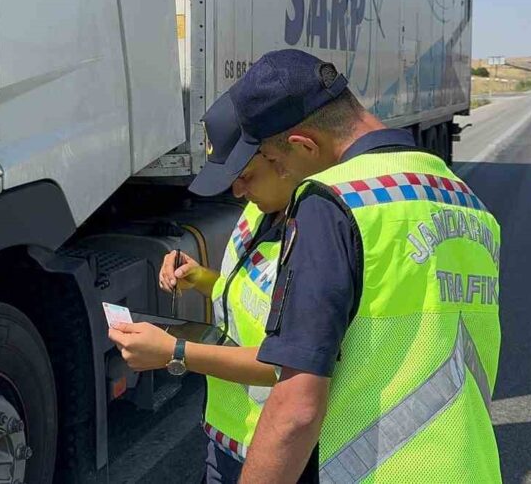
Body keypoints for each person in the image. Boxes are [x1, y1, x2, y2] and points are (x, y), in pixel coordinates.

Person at [216, 49, 502, 483]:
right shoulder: (465, 200)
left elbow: (297, 409)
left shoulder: (332, 201)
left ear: (303, 144)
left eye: (276, 163)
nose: (282, 174)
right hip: (469, 468)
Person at [107, 89, 303, 483]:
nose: (237, 192)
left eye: (245, 176)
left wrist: (176, 351)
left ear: (283, 157)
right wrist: (202, 279)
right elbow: (255, 296)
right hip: (227, 437)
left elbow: (290, 366)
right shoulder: (260, 209)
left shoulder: (316, 234)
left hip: (272, 455)